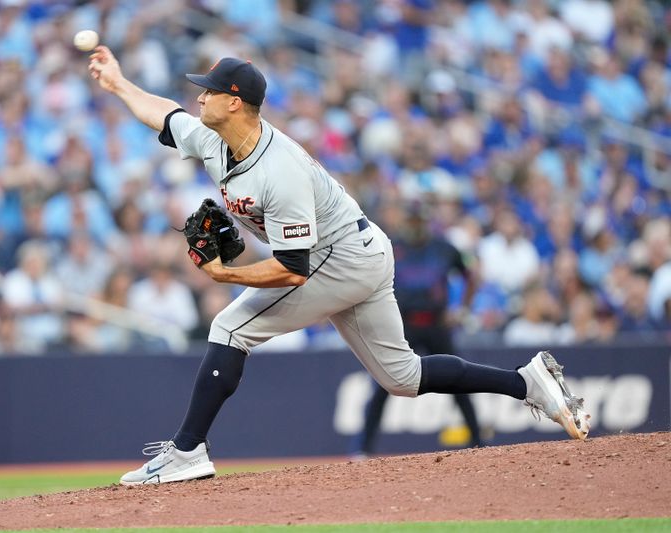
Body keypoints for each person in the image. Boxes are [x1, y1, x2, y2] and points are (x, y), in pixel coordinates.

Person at [86, 47, 591, 486]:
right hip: (362, 252)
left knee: (230, 324)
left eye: (209, 92)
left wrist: (226, 275)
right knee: (402, 377)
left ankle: (188, 450)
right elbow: (166, 115)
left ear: (234, 101)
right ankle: (528, 383)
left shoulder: (278, 169)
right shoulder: (216, 140)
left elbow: (292, 269)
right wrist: (118, 83)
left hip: (340, 258)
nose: (200, 98)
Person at [350, 200, 483, 458]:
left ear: (426, 222)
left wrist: (462, 309)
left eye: (420, 221)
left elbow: (471, 273)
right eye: (412, 221)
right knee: (383, 383)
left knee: (458, 381)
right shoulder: (393, 246)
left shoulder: (444, 248)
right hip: (402, 324)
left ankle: (477, 440)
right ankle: (363, 448)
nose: (416, 226)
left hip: (436, 324)